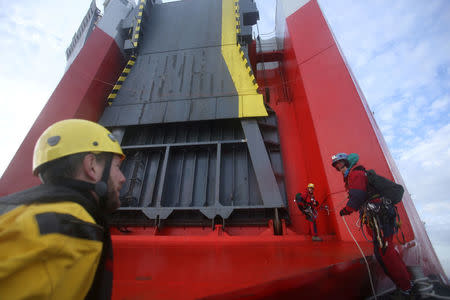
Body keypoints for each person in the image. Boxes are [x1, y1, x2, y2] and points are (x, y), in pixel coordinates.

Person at [0, 119, 126, 300]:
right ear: (91, 165)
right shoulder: (69, 229)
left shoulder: (14, 209)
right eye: (117, 167)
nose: (122, 178)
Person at [332, 152, 412, 295]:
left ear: (348, 163)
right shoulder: (358, 175)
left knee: (385, 252)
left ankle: (406, 286)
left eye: (341, 164)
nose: (339, 168)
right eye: (337, 166)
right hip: (379, 218)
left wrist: (347, 210)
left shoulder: (356, 174)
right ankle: (404, 284)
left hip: (380, 218)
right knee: (382, 251)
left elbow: (357, 196)